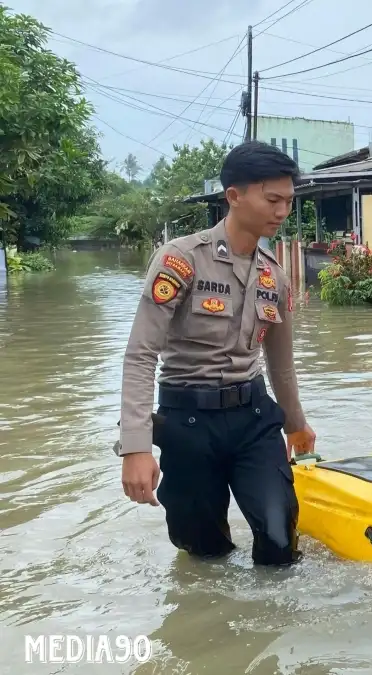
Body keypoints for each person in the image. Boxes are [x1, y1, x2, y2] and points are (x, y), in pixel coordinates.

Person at [118, 140, 317, 567]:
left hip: (254, 420)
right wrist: (136, 447)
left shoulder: (274, 275)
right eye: (272, 199)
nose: (283, 211)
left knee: (280, 542)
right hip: (189, 424)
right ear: (234, 196)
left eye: (288, 201)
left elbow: (281, 364)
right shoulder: (180, 261)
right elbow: (140, 355)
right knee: (204, 552)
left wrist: (296, 425)